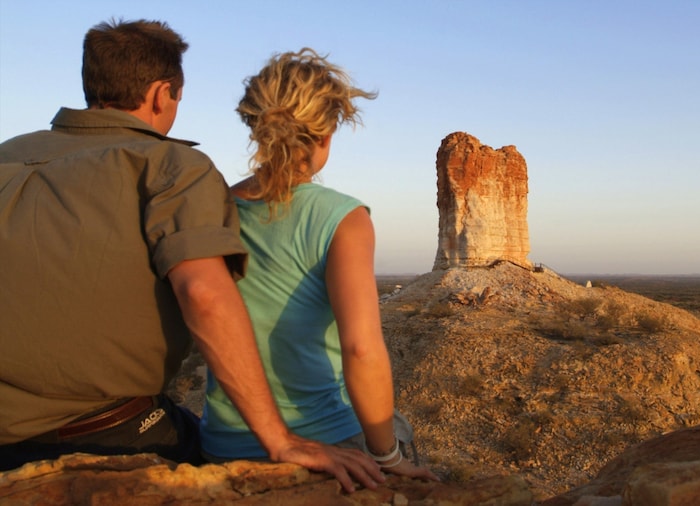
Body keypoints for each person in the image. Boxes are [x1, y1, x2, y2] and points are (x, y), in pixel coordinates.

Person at [0, 19, 384, 492]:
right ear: (163, 95)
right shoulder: (172, 168)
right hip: (107, 429)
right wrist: (280, 440)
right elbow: (203, 292)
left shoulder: (8, 156)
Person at [200, 49, 437, 482]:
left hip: (224, 442)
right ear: (326, 133)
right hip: (326, 441)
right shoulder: (345, 220)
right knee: (398, 433)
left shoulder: (212, 206)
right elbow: (361, 349)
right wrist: (387, 457)